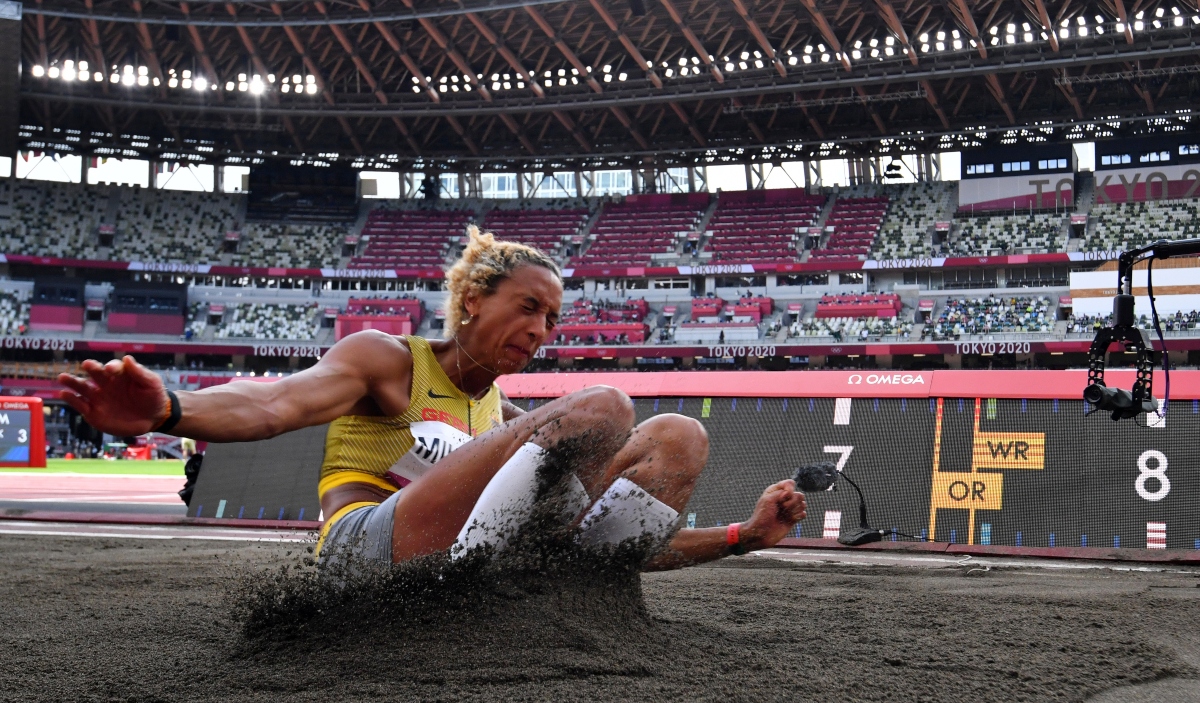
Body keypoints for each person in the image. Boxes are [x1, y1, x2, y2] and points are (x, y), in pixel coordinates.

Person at [57, 227, 806, 571]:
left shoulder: (507, 423)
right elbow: (275, 403)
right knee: (605, 407)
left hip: (465, 552)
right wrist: (169, 410)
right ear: (473, 301)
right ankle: (477, 594)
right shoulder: (388, 360)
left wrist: (744, 534)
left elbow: (610, 535)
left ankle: (551, 592)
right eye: (528, 307)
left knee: (679, 436)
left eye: (553, 318)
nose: (542, 329)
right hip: (364, 554)